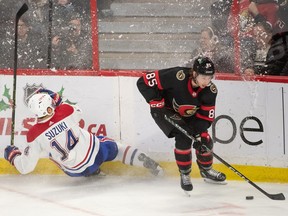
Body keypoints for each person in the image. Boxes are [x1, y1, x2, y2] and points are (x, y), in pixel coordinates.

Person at [4, 88, 163, 177]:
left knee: (51, 154)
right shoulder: (65, 111)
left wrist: (13, 156)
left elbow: (25, 168)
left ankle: (93, 173)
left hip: (74, 171)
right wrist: (56, 99)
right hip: (97, 152)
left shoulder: (33, 134)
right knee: (116, 148)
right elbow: (78, 111)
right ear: (48, 107)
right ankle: (146, 162)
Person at [137, 56, 226, 194]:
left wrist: (198, 134)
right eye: (203, 77)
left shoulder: (210, 91)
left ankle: (206, 170)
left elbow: (205, 118)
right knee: (183, 136)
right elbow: (142, 82)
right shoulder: (176, 76)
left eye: (210, 77)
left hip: (190, 116)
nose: (207, 81)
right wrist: (154, 100)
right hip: (164, 110)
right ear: (195, 73)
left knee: (204, 139)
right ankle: (185, 174)